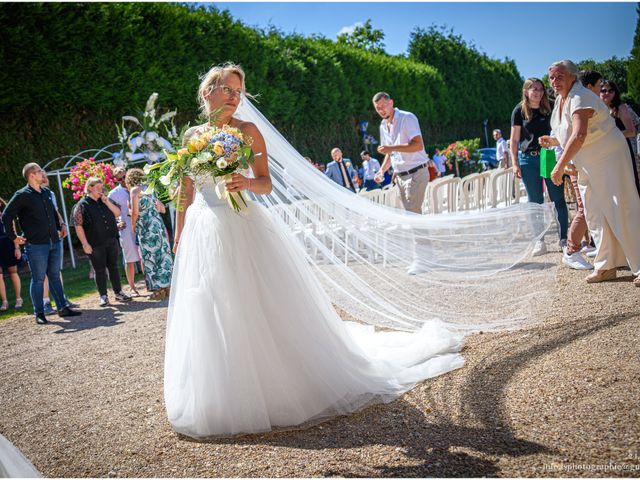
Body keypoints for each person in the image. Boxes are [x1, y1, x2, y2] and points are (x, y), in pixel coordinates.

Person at [164, 63, 463, 439]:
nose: (234, 97)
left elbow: (266, 184)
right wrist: (180, 230)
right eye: (228, 89)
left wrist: (244, 181)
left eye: (239, 91)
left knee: (255, 302)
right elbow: (184, 189)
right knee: (210, 305)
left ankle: (274, 386)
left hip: (242, 224)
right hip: (203, 228)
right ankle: (221, 389)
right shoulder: (191, 136)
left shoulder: (248, 131)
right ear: (207, 91)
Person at [540, 59, 640, 285]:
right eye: (552, 78)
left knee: (621, 206)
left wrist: (559, 166)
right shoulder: (560, 101)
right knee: (595, 212)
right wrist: (554, 140)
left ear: (572, 77)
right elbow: (570, 133)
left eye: (559, 76)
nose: (555, 82)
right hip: (587, 163)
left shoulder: (580, 97)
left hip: (608, 158)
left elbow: (580, 135)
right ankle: (606, 265)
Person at [1, 163, 81, 324]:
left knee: (55, 276)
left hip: (54, 241)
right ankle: (39, 313)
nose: (42, 174)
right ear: (31, 175)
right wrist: (13, 237)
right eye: (39, 172)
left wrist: (61, 227)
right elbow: (6, 216)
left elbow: (52, 212)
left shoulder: (45, 192)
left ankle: (62, 308)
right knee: (38, 279)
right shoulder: (22, 195)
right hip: (36, 245)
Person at [509, 77, 568, 256]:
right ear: (526, 91)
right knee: (535, 202)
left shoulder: (551, 106)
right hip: (528, 159)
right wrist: (515, 163)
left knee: (558, 198)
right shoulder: (519, 110)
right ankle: (539, 241)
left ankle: (564, 239)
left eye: (540, 88)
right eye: (533, 88)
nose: (538, 92)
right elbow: (514, 140)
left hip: (549, 155)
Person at [73, 177, 132, 307]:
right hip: (95, 243)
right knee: (99, 270)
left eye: (101, 187)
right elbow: (78, 226)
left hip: (111, 239)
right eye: (98, 188)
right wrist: (85, 243)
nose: (101, 190)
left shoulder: (105, 201)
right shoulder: (82, 205)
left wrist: (106, 202)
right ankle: (103, 296)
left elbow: (117, 213)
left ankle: (118, 292)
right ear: (90, 188)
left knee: (114, 267)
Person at [372, 92, 430, 214]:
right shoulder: (382, 125)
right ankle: (422, 233)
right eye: (378, 108)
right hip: (399, 177)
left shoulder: (407, 118)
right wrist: (381, 171)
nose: (381, 110)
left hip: (415, 173)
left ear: (391, 103)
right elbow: (390, 152)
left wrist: (391, 148)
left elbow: (418, 145)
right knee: (409, 215)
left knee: (412, 215)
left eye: (383, 106)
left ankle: (422, 233)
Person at [127, 168, 173, 300]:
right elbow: (162, 209)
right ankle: (167, 286)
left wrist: (133, 225)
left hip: (146, 226)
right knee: (163, 254)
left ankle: (157, 290)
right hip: (157, 224)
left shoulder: (134, 190)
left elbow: (135, 212)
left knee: (150, 256)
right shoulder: (150, 189)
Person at [599, 79, 640, 196]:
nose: (607, 93)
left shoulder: (621, 107)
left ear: (615, 92)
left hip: (623, 149)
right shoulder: (598, 109)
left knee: (628, 184)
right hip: (606, 152)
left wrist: (609, 136)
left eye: (610, 90)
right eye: (603, 90)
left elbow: (632, 131)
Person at [108, 166, 142, 296]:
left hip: (142, 225)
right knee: (130, 259)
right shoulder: (114, 194)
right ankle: (132, 287)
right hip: (127, 228)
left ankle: (150, 283)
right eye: (119, 179)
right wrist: (116, 223)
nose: (123, 180)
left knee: (145, 257)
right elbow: (109, 213)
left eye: (124, 177)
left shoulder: (140, 187)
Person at [0, 198, 22, 311]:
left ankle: (18, 298)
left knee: (13, 272)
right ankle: (4, 302)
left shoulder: (6, 215)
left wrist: (17, 248)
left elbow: (13, 233)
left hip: (8, 245)